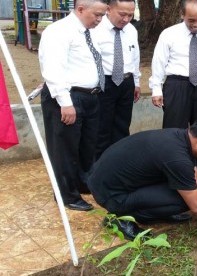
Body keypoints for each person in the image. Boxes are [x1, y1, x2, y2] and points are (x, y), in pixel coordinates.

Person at [87, 115, 197, 240]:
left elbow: (196, 184)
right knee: (182, 201)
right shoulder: (177, 158)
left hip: (110, 180)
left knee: (187, 191)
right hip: (111, 194)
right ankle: (119, 218)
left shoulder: (181, 137)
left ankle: (149, 214)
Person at [38, 0, 108, 211]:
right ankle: (66, 194)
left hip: (90, 96)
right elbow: (52, 68)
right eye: (97, 14)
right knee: (64, 148)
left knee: (87, 145)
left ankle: (81, 182)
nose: (100, 19)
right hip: (67, 98)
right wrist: (65, 103)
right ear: (80, 9)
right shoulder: (59, 31)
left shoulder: (91, 31)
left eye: (102, 15)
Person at [149, 0, 197, 175]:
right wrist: (156, 89)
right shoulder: (169, 34)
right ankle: (170, 162)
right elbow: (158, 63)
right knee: (174, 127)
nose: (196, 24)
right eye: (192, 20)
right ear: (182, 15)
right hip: (177, 85)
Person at [93, 0, 141, 160]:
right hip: (104, 83)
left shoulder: (131, 30)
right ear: (109, 9)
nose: (126, 19)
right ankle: (99, 165)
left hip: (126, 83)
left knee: (122, 126)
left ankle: (118, 162)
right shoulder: (95, 29)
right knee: (102, 127)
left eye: (130, 15)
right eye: (122, 14)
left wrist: (136, 82)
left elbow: (135, 57)